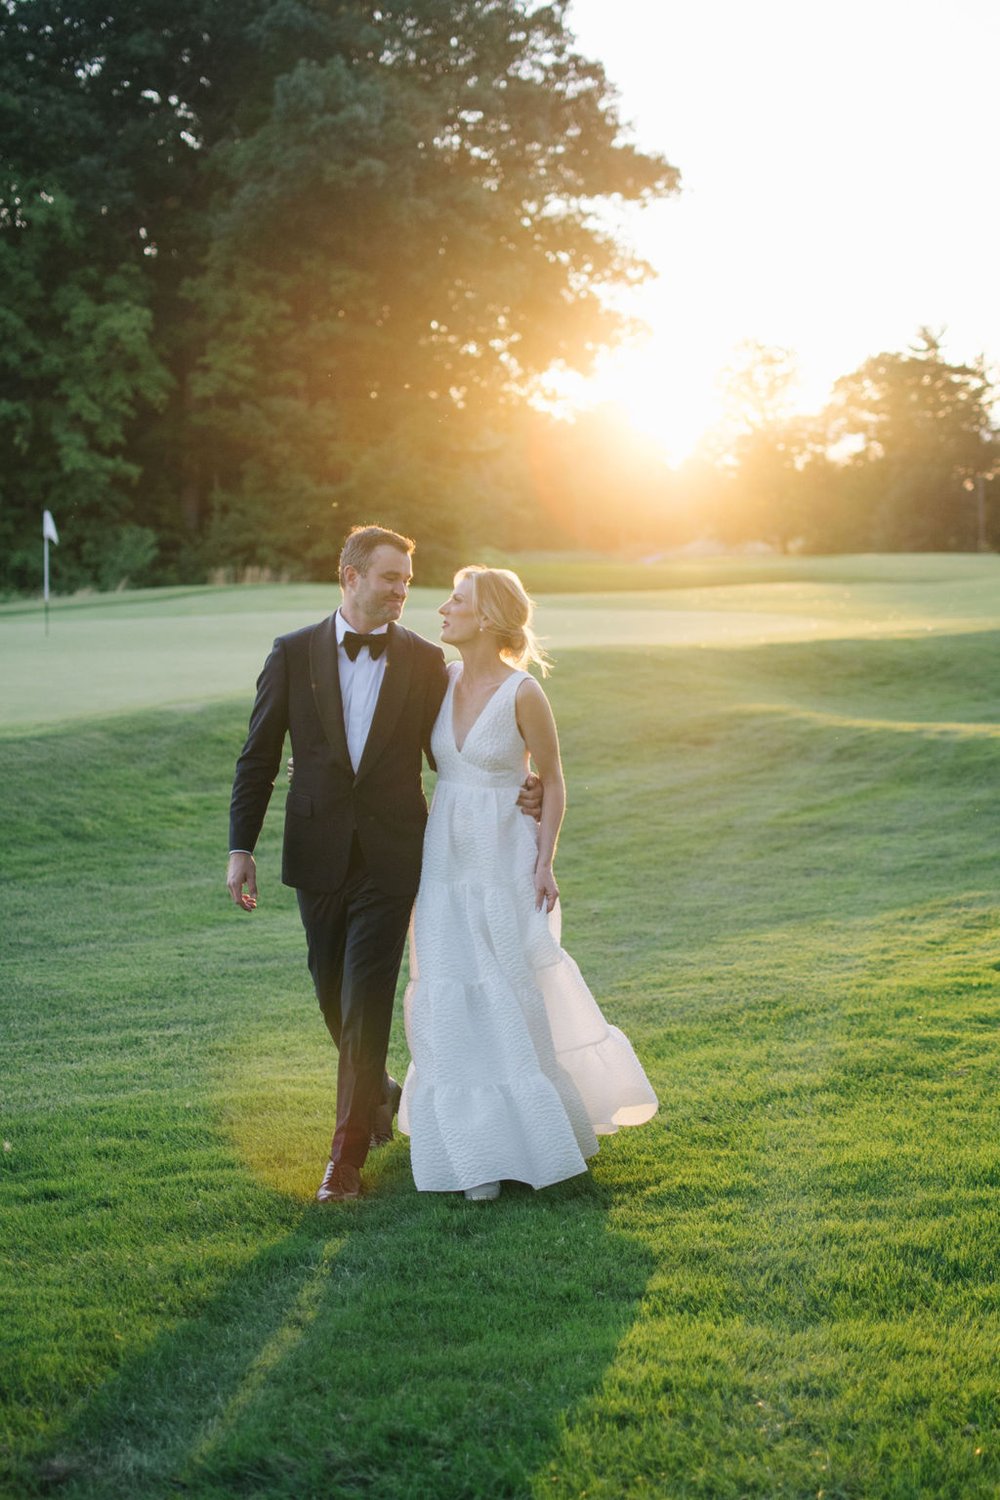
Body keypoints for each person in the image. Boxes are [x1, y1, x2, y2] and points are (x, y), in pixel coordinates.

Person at [227, 526, 540, 1203]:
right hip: (317, 854)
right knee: (331, 995)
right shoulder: (291, 654)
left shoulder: (427, 663)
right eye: (389, 578)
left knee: (366, 998)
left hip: (396, 857)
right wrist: (240, 848)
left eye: (407, 580)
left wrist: (523, 782)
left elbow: (455, 751)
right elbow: (257, 757)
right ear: (350, 576)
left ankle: (344, 1161)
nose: (402, 591)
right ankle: (380, 1090)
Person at [398, 566, 657, 1201]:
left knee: (507, 984)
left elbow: (555, 778)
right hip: (444, 858)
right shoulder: (443, 678)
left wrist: (545, 861)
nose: (443, 609)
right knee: (448, 982)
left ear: (486, 617)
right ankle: (474, 1152)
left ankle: (533, 1136)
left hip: (504, 855)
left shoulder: (523, 693)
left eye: (456, 600)